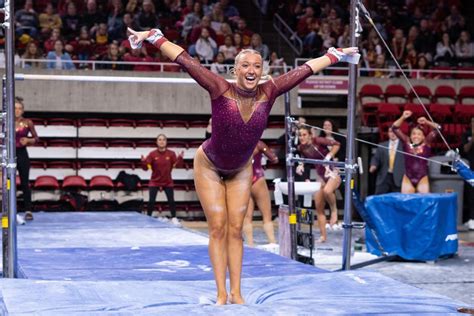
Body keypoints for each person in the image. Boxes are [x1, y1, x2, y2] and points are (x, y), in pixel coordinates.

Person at [128, 26, 359, 305]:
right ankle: (221, 293)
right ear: (235, 70)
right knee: (218, 226)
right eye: (246, 65)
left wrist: (335, 56)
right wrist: (153, 36)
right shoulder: (219, 88)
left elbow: (305, 70)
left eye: (257, 66)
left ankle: (236, 291)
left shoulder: (270, 91)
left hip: (240, 168)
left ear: (262, 71)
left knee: (236, 230)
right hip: (209, 165)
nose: (252, 70)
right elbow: (185, 60)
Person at [297, 126, 341, 242]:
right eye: (300, 135)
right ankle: (323, 236)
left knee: (327, 191)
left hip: (332, 172)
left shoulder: (318, 140)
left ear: (310, 135)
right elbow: (304, 158)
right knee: (319, 206)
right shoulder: (301, 147)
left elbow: (337, 144)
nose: (301, 137)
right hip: (321, 176)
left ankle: (334, 211)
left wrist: (328, 156)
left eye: (304, 134)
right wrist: (301, 165)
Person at [391, 111, 439, 194]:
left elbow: (438, 128)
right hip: (408, 178)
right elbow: (394, 128)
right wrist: (403, 117)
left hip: (422, 178)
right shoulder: (406, 142)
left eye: (419, 134)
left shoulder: (426, 143)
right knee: (407, 203)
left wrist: (427, 122)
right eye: (413, 134)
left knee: (423, 203)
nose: (416, 136)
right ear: (410, 136)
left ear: (423, 137)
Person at [140, 134, 184, 225]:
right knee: (151, 201)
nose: (162, 141)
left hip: (167, 181)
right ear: (157, 142)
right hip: (154, 181)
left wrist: (180, 159)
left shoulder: (171, 154)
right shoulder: (152, 154)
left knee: (171, 200)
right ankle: (148, 217)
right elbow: (145, 168)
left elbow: (178, 166)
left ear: (166, 142)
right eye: (159, 139)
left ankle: (174, 217)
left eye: (163, 139)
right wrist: (143, 162)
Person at [243, 141, 278, 246]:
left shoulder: (236, 143)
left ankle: (250, 244)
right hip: (257, 178)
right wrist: (267, 157)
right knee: (267, 216)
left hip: (244, 180)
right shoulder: (258, 144)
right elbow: (274, 159)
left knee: (247, 217)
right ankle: (272, 242)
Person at [15, 97, 39, 221]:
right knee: (7, 183)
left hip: (22, 153)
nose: (17, 111)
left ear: (23, 110)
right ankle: (8, 209)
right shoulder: (5, 122)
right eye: (15, 108)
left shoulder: (28, 122)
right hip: (9, 154)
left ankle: (28, 210)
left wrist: (29, 140)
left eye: (19, 109)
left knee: (25, 183)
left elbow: (37, 138)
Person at [370, 127, 405, 194]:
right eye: (391, 132)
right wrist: (373, 165)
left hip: (399, 177)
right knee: (379, 197)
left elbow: (413, 146)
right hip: (384, 175)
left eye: (395, 132)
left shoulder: (404, 146)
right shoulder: (382, 145)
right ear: (388, 133)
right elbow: (376, 158)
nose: (393, 134)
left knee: (397, 199)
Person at [462, 117, 474, 230]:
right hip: (470, 167)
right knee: (471, 194)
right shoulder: (467, 134)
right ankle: (471, 218)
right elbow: (465, 149)